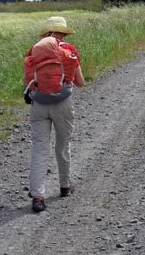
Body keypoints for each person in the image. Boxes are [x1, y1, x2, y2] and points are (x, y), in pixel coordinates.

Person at [25, 16, 85, 212]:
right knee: (63, 145)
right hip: (63, 103)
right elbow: (80, 82)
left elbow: (28, 79)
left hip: (39, 104)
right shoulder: (69, 51)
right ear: (64, 33)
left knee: (39, 148)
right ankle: (65, 186)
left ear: (46, 33)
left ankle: (37, 196)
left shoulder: (35, 51)